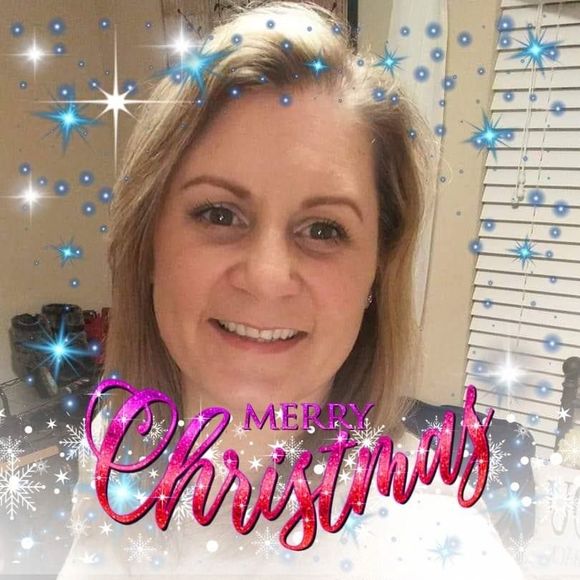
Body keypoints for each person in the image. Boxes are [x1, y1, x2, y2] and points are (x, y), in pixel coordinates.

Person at [57, 2, 524, 578]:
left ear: (376, 272)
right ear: (148, 245)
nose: (267, 275)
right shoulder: (115, 461)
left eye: (323, 229)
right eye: (219, 214)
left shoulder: (434, 545)